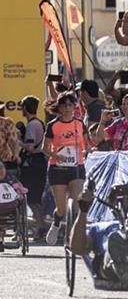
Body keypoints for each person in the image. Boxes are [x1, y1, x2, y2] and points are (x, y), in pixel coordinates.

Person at [44, 92, 89, 246]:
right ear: (60, 107)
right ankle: (56, 223)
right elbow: (44, 148)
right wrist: (56, 156)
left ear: (74, 106)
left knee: (77, 205)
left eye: (70, 105)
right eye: (64, 105)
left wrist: (86, 150)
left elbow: (87, 144)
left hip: (76, 167)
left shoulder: (80, 123)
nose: (68, 108)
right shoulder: (53, 125)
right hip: (58, 169)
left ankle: (73, 237)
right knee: (62, 209)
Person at [69, 186, 128, 285]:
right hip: (108, 266)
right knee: (115, 240)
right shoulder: (99, 227)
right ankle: (120, 266)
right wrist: (83, 210)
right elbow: (77, 249)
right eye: (122, 199)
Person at [18, 96, 49, 240]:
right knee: (35, 198)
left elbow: (30, 147)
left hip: (33, 163)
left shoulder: (32, 125)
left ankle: (40, 227)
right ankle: (40, 226)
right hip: (40, 162)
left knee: (32, 198)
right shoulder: (39, 123)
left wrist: (17, 141)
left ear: (25, 108)